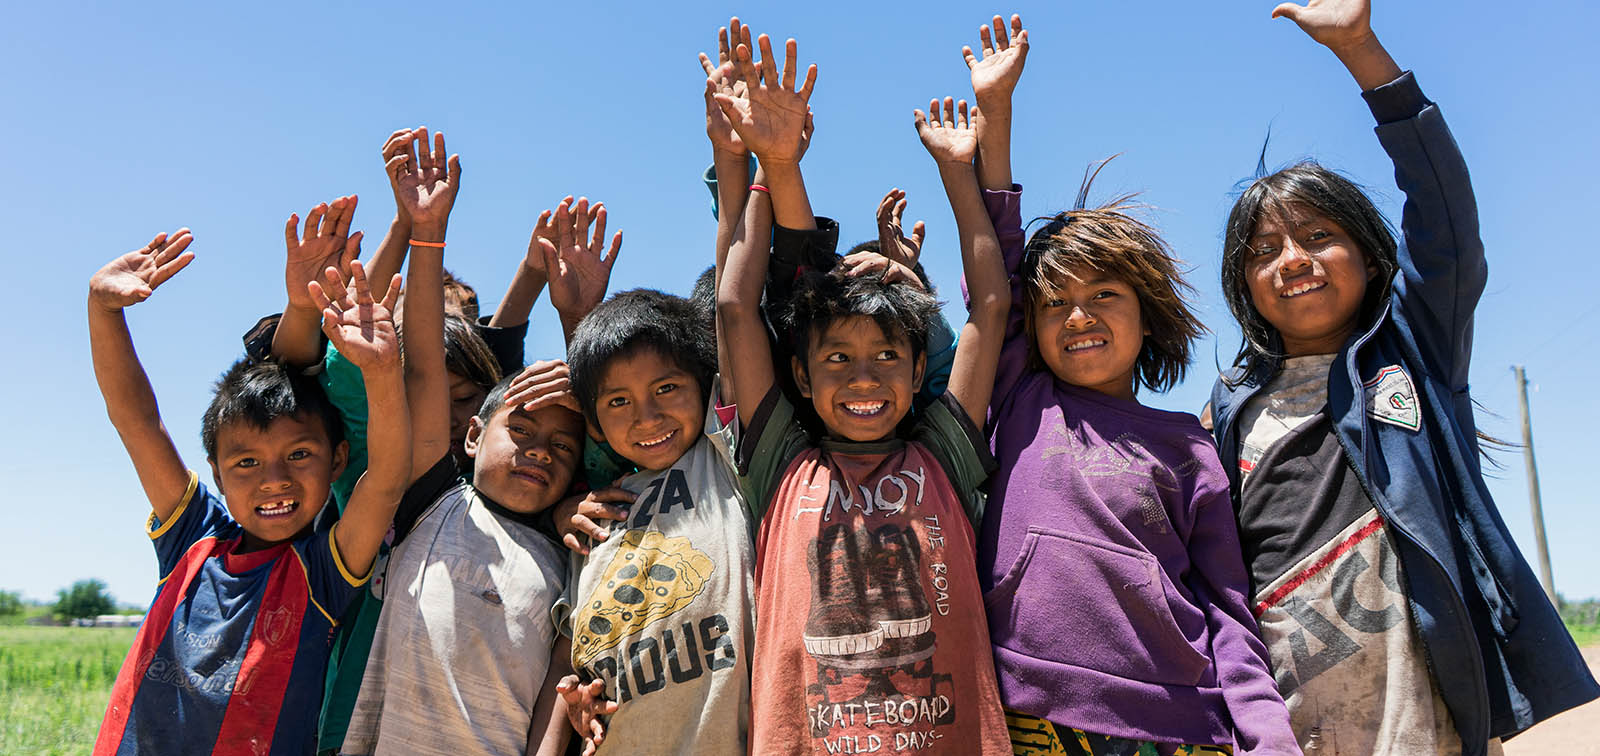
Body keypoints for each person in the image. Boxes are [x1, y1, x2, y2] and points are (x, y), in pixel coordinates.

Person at [1207, 2, 1600, 754]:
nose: (1293, 259)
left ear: (1369, 256)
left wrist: (1364, 55)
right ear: (1244, 283)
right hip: (1287, 723)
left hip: (1426, 721)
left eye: (1320, 236)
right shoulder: (1231, 406)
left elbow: (1447, 222)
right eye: (1266, 249)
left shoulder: (1412, 350)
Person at [955, 16, 1297, 756]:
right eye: (1055, 304)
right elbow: (996, 269)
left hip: (1179, 724)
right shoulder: (1020, 401)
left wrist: (1266, 734)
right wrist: (997, 115)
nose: (1079, 316)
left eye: (1105, 295)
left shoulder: (1188, 447)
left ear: (1150, 317)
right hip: (1032, 711)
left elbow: (1227, 606)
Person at [713, 23, 1012, 754]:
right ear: (801, 378)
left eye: (886, 356)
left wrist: (956, 174)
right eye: (837, 361)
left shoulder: (944, 451)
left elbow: (993, 308)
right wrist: (770, 166)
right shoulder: (781, 457)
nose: (865, 377)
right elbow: (732, 309)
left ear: (918, 373)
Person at [89, 227, 411, 755]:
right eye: (246, 462)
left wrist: (380, 372)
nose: (274, 479)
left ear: (338, 461)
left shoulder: (321, 572)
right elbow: (138, 421)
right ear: (216, 474)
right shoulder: (192, 540)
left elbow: (387, 483)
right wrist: (104, 311)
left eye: (299, 455)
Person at [339, 129, 577, 756]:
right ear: (472, 433)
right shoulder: (431, 501)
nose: (540, 451)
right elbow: (421, 369)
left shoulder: (572, 555)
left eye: (563, 447)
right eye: (520, 431)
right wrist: (425, 234)